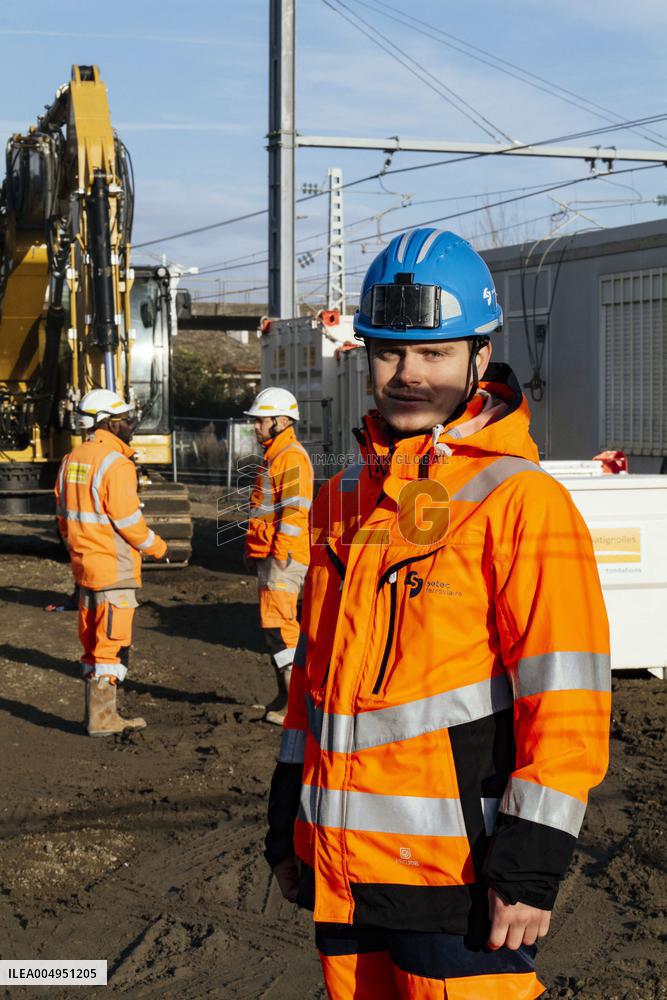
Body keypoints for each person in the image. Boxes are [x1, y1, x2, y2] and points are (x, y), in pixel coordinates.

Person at [265, 229, 611, 999]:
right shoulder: (342, 500)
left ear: (479, 358)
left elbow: (567, 695)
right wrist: (285, 816)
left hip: (458, 880)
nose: (408, 374)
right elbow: (312, 685)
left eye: (434, 354)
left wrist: (529, 862)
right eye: (389, 352)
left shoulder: (521, 502)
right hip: (341, 871)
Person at [55, 388, 168, 737]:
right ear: (109, 423)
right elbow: (128, 520)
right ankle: (103, 719)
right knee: (111, 641)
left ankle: (97, 714)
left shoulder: (71, 460)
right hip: (113, 567)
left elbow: (62, 516)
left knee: (92, 641)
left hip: (85, 566)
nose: (129, 425)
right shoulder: (116, 463)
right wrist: (158, 547)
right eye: (124, 420)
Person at [244, 387, 314, 725]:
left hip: (282, 557)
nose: (256, 427)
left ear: (282, 420)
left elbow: (295, 512)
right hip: (272, 553)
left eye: (261, 421)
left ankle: (294, 703)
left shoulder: (290, 456)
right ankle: (285, 696)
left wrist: (281, 554)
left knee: (281, 627)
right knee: (274, 627)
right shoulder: (278, 454)